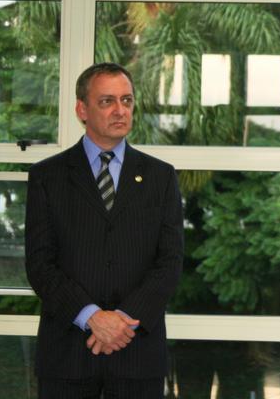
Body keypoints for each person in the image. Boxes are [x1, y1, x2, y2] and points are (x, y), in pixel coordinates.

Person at [25, 62, 184, 398]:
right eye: (107, 101)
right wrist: (91, 317)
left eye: (126, 100)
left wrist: (123, 320)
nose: (120, 110)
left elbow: (169, 262)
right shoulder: (47, 177)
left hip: (137, 353)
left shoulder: (161, 177)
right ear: (82, 110)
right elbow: (40, 264)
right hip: (67, 356)